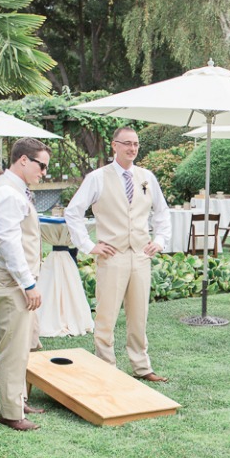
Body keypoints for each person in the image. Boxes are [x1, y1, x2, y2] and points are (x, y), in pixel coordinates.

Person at [65, 126, 172, 382]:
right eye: (127, 144)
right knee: (106, 316)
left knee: (139, 315)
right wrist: (89, 246)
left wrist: (159, 240)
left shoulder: (147, 177)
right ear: (114, 146)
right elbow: (73, 212)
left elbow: (162, 212)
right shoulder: (97, 178)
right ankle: (105, 368)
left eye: (136, 144)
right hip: (112, 256)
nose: (132, 149)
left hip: (141, 255)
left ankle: (142, 366)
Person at [0, 138, 50, 431]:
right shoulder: (9, 192)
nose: (44, 172)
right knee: (13, 347)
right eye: (41, 165)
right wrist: (28, 283)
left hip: (10, 278)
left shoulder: (8, 188)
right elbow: (10, 242)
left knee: (20, 344)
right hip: (11, 280)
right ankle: (10, 412)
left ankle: (15, 399)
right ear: (24, 160)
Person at [0, 160, 42, 354]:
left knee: (19, 306)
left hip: (8, 260)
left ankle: (26, 344)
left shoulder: (6, 193)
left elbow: (12, 240)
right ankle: (14, 345)